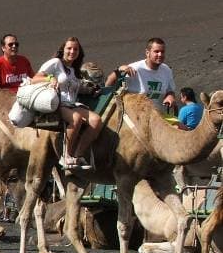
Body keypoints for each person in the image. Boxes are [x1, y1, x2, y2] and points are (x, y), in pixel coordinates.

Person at [31, 37, 102, 170]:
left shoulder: (74, 70)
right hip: (57, 103)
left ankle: (77, 155)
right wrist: (50, 78)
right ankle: (66, 155)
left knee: (96, 120)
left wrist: (90, 90)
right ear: (63, 49)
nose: (72, 51)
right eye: (69, 48)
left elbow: (75, 88)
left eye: (75, 49)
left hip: (72, 104)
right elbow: (35, 79)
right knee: (76, 118)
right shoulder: (55, 63)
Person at [106, 37, 176, 113]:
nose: (160, 54)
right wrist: (119, 70)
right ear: (147, 52)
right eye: (156, 51)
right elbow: (108, 85)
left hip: (159, 114)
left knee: (181, 125)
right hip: (136, 115)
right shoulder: (135, 69)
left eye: (162, 52)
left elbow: (170, 91)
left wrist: (170, 97)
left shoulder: (166, 70)